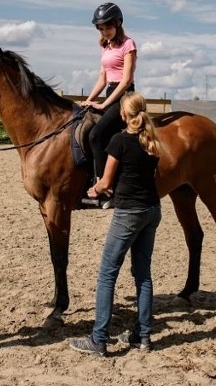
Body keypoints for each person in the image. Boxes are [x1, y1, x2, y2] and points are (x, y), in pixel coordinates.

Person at [69, 92, 162, 357]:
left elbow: (106, 182)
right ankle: (143, 336)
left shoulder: (119, 141)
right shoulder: (152, 141)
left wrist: (93, 190)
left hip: (129, 213)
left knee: (107, 273)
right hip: (152, 210)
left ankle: (98, 339)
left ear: (123, 114)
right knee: (142, 274)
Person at [80, 2, 137, 209]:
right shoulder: (106, 47)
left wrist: (104, 104)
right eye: (101, 29)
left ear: (118, 24)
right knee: (82, 128)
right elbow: (103, 78)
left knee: (97, 134)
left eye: (108, 27)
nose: (105, 32)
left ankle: (106, 188)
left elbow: (126, 80)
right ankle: (90, 181)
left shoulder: (128, 44)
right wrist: (88, 99)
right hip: (109, 93)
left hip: (124, 97)